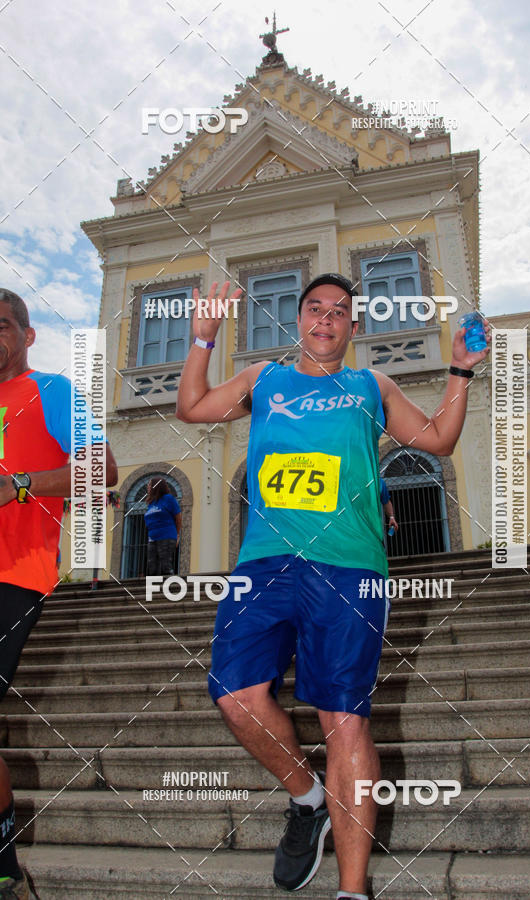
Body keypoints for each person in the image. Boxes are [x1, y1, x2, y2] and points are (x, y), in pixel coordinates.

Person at [176, 275, 490, 900]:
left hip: (349, 569)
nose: (326, 318)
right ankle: (308, 798)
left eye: (340, 311)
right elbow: (192, 407)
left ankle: (351, 890)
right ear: (299, 320)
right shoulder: (264, 379)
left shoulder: (371, 385)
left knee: (344, 721)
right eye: (315, 308)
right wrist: (203, 339)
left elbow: (438, 439)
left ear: (353, 327)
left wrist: (460, 370)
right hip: (265, 563)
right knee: (235, 696)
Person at [0, 289, 118, 899]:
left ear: (27, 335)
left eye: (1, 325)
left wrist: (17, 485)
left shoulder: (51, 391)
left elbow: (104, 471)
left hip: (13, 572)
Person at [144, 477, 181, 576]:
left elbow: (178, 517)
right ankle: (154, 586)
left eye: (150, 485)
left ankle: (170, 584)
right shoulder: (151, 503)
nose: (148, 487)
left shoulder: (168, 499)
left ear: (156, 486)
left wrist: (177, 534)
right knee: (152, 567)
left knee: (165, 566)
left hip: (167, 536)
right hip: (152, 538)